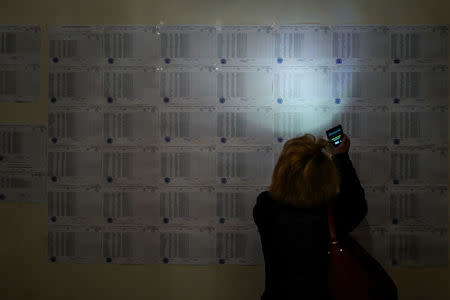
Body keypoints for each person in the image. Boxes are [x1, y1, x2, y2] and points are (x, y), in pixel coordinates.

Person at [253, 133, 367, 300]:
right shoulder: (332, 212)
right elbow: (357, 204)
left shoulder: (265, 206)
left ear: (282, 171)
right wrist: (341, 157)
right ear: (325, 176)